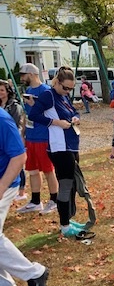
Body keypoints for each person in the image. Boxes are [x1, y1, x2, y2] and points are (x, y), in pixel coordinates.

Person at [28, 66, 88, 238]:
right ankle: (64, 226)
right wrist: (56, 122)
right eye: (65, 88)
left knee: (72, 184)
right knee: (66, 185)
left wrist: (76, 117)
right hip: (59, 147)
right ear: (57, 82)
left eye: (71, 89)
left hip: (71, 145)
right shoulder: (48, 95)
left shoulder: (63, 96)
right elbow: (34, 115)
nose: (68, 91)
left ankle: (68, 219)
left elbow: (74, 111)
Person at [0, 107, 49, 286]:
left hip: (4, 184)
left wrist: (1, 187)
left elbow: (19, 156)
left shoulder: (2, 120)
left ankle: (34, 273)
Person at [17, 64, 59, 215]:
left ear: (31, 74)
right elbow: (26, 115)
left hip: (43, 137)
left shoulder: (46, 91)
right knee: (33, 170)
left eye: (23, 75)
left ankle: (54, 200)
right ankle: (35, 201)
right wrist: (23, 134)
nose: (21, 78)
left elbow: (51, 114)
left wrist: (35, 105)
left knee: (48, 170)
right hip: (31, 137)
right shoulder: (28, 90)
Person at [0, 80, 27, 201]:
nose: (0, 93)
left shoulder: (14, 107)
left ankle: (22, 190)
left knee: (18, 167)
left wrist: (2, 187)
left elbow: (15, 124)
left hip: (13, 138)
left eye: (2, 90)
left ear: (7, 92)